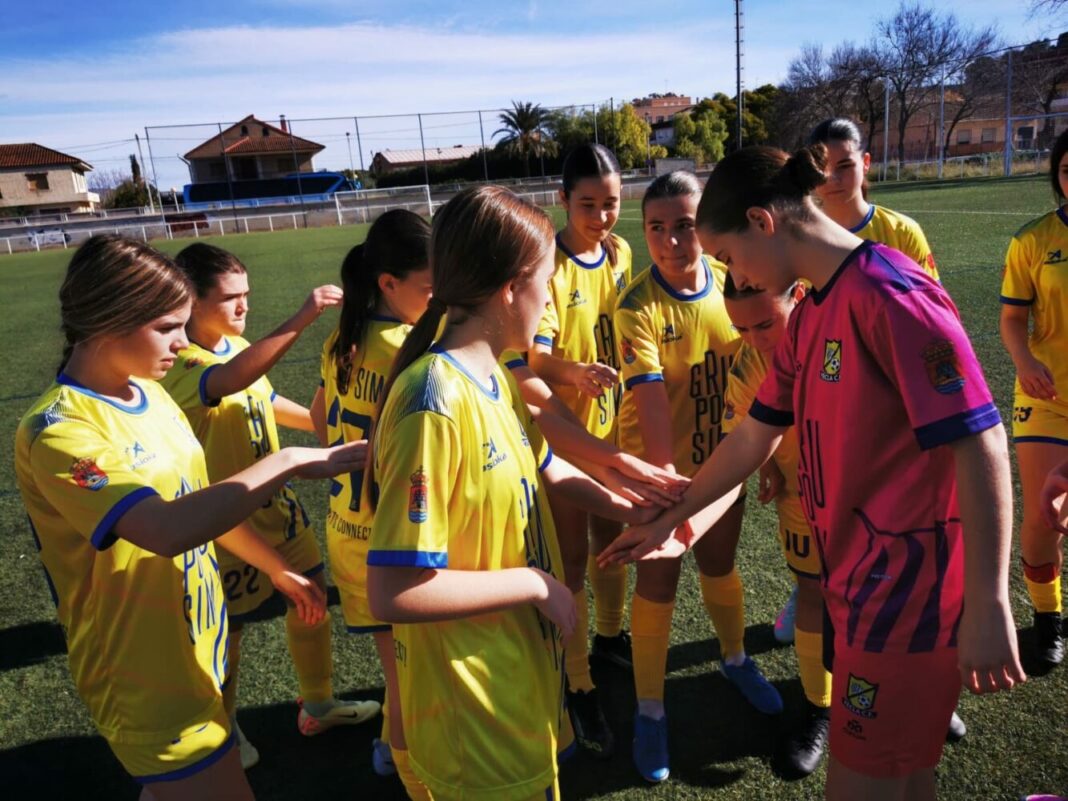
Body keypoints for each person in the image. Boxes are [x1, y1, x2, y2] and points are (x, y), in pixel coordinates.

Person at [599, 145, 1025, 800]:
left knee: (861, 784)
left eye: (731, 257)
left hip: (904, 598)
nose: (732, 275)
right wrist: (674, 513)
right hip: (852, 590)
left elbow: (982, 438)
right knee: (905, 776)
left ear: (763, 222)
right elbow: (750, 438)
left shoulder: (893, 293)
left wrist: (991, 600)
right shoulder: (814, 315)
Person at [14, 235, 360, 800]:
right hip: (146, 678)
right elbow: (164, 529)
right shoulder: (58, 431)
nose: (183, 340)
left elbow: (199, 498)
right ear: (109, 320)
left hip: (199, 650)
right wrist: (289, 461)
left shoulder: (149, 395)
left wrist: (273, 566)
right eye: (167, 327)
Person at [366, 186, 659, 801]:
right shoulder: (433, 405)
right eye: (546, 282)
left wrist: (639, 506)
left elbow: (548, 466)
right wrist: (535, 584)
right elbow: (393, 591)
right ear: (507, 288)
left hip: (516, 677)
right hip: (472, 708)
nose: (551, 297)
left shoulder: (494, 374)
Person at [160, 243, 379, 769]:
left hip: (277, 509)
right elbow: (229, 383)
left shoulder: (237, 348)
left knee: (311, 603)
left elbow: (263, 395)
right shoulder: (182, 362)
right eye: (231, 298)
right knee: (225, 633)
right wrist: (303, 318)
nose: (243, 308)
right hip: (223, 520)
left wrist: (324, 423)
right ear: (190, 300)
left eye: (248, 296)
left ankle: (319, 703)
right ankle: (223, 727)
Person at [613, 171, 781, 783]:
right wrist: (665, 496)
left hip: (722, 463)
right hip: (658, 474)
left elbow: (763, 376)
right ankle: (651, 708)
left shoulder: (736, 283)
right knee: (657, 586)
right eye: (655, 228)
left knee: (720, 565)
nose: (671, 241)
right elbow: (653, 405)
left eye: (683, 225)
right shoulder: (635, 305)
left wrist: (757, 461)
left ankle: (735, 659)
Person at [309, 210, 433, 799]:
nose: (439, 303)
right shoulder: (406, 351)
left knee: (398, 669)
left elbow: (317, 419)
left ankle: (391, 745)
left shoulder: (343, 338)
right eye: (431, 290)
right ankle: (410, 771)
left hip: (345, 529)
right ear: (388, 283)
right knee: (412, 675)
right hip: (390, 540)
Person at [527, 143, 633, 757]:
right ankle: (577, 679)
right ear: (562, 199)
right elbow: (533, 355)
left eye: (611, 203)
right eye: (587, 203)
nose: (600, 216)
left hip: (614, 426)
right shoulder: (551, 264)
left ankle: (610, 639)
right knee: (570, 557)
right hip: (563, 430)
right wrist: (573, 373)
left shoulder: (619, 251)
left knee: (610, 542)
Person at [721, 275, 831, 775]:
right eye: (740, 328)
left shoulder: (840, 338)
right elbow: (741, 437)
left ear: (800, 297)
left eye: (765, 323)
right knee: (813, 593)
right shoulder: (748, 363)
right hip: (799, 496)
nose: (755, 339)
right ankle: (819, 707)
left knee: (881, 595)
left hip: (868, 502)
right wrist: (767, 464)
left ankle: (908, 691)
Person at [999, 128, 1068, 668]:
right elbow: (1013, 319)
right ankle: (1049, 619)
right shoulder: (1033, 240)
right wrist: (1024, 362)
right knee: (1045, 514)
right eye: (1067, 172)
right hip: (1046, 396)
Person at [809, 117, 940, 282]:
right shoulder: (800, 239)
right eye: (822, 168)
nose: (833, 179)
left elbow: (931, 304)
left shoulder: (902, 232)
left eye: (844, 166)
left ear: (865, 162)